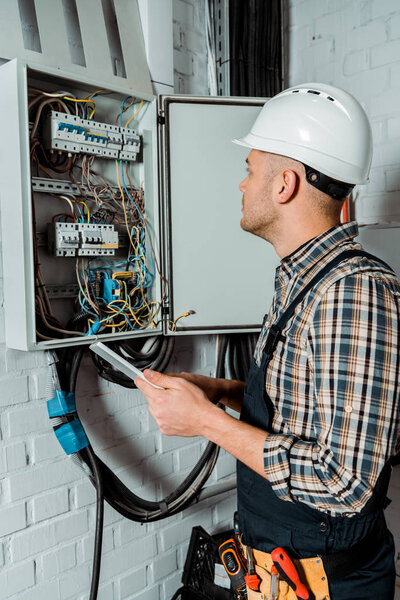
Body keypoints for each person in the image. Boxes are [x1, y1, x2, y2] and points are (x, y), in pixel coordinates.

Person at [136, 83, 400, 599]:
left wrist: (207, 423)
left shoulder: (354, 292)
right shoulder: (301, 281)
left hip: (329, 583)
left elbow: (346, 482)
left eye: (250, 170)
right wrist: (221, 391)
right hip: (279, 573)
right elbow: (305, 406)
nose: (241, 185)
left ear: (285, 184)